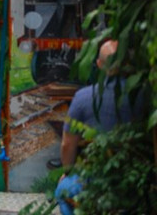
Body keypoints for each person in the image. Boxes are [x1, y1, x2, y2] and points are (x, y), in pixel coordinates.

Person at [55, 40, 145, 215]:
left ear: (99, 64)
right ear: (126, 64)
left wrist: (67, 173)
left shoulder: (82, 98)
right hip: (133, 180)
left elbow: (67, 145)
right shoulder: (142, 96)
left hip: (91, 180)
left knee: (62, 191)